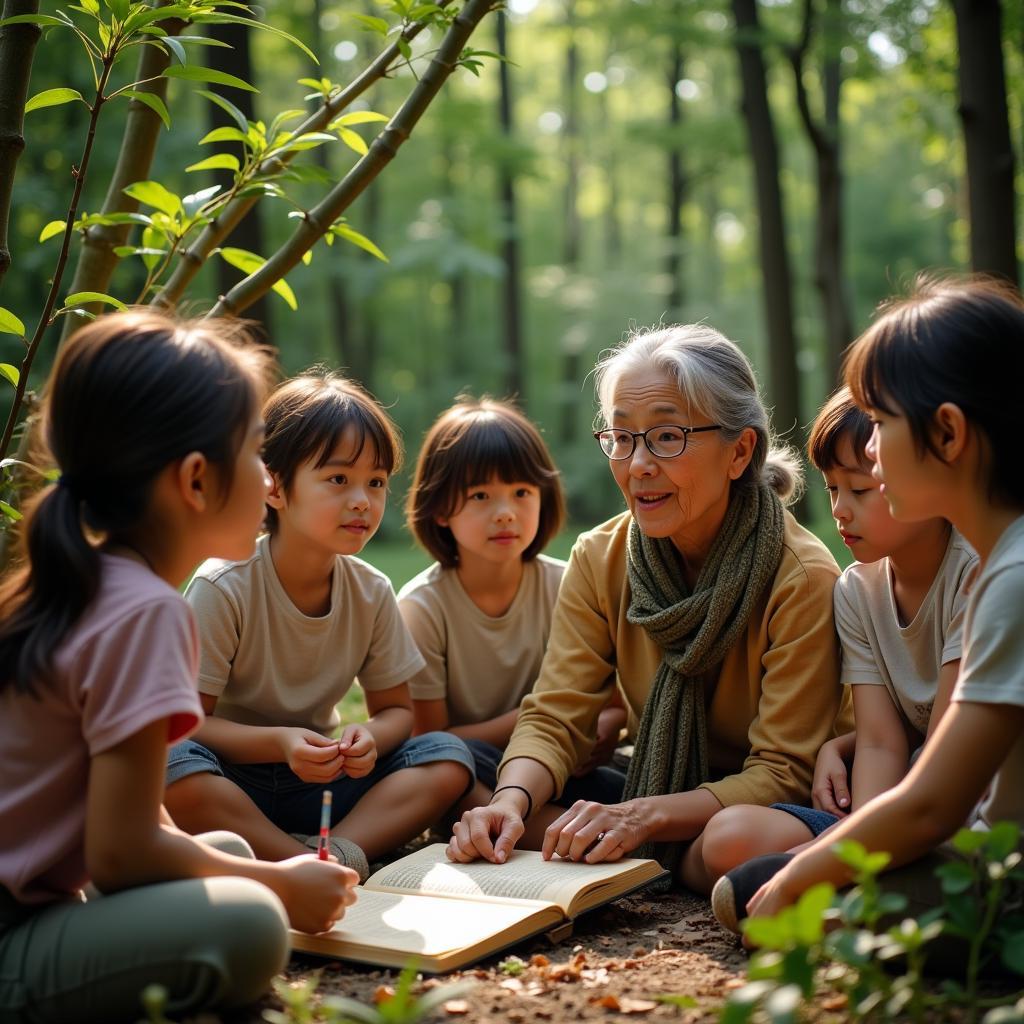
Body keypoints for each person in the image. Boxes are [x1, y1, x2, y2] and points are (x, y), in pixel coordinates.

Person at [0, 312, 358, 1024]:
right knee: (250, 920)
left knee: (220, 849)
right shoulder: (146, 613)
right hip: (12, 936)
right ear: (196, 480)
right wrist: (280, 886)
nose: (267, 480)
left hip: (35, 897)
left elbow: (131, 816)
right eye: (257, 454)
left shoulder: (84, 582)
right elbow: (123, 853)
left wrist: (261, 867)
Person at [446, 324, 845, 893]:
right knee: (479, 787)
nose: (637, 465)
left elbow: (784, 772)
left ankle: (654, 859)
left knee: (732, 839)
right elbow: (556, 715)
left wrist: (641, 818)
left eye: (666, 437)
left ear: (740, 451)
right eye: (621, 437)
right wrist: (509, 804)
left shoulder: (800, 577)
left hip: (758, 804)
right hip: (654, 781)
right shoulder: (600, 557)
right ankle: (661, 863)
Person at [713, 275, 1024, 973]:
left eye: (880, 424)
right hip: (971, 856)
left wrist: (801, 875)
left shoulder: (1008, 578)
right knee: (747, 889)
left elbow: (932, 805)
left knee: (756, 897)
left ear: (948, 432)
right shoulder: (999, 565)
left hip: (997, 884)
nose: (872, 452)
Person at [164, 370, 475, 882]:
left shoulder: (371, 589)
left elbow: (398, 711)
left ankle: (340, 855)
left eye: (375, 483)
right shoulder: (225, 584)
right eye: (338, 479)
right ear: (275, 488)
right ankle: (294, 863)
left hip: (323, 785)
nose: (362, 501)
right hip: (230, 779)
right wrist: (281, 743)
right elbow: (190, 722)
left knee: (445, 755)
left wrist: (368, 737)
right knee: (170, 762)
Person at [701, 387, 975, 911]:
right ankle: (852, 889)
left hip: (958, 809)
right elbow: (878, 742)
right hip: (894, 806)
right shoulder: (856, 590)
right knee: (729, 838)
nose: (840, 511)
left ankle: (841, 894)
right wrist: (865, 844)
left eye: (861, 489)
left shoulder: (972, 573)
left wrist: (853, 855)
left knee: (744, 888)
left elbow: (945, 757)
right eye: (831, 489)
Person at [400, 397, 627, 829]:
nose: (505, 513)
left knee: (625, 786)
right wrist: (538, 720)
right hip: (478, 766)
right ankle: (538, 829)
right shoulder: (422, 608)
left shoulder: (569, 584)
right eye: (481, 495)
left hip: (563, 764)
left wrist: (600, 730)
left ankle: (555, 826)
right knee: (450, 765)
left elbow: (617, 703)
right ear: (441, 509)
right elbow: (428, 739)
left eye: (521, 492)